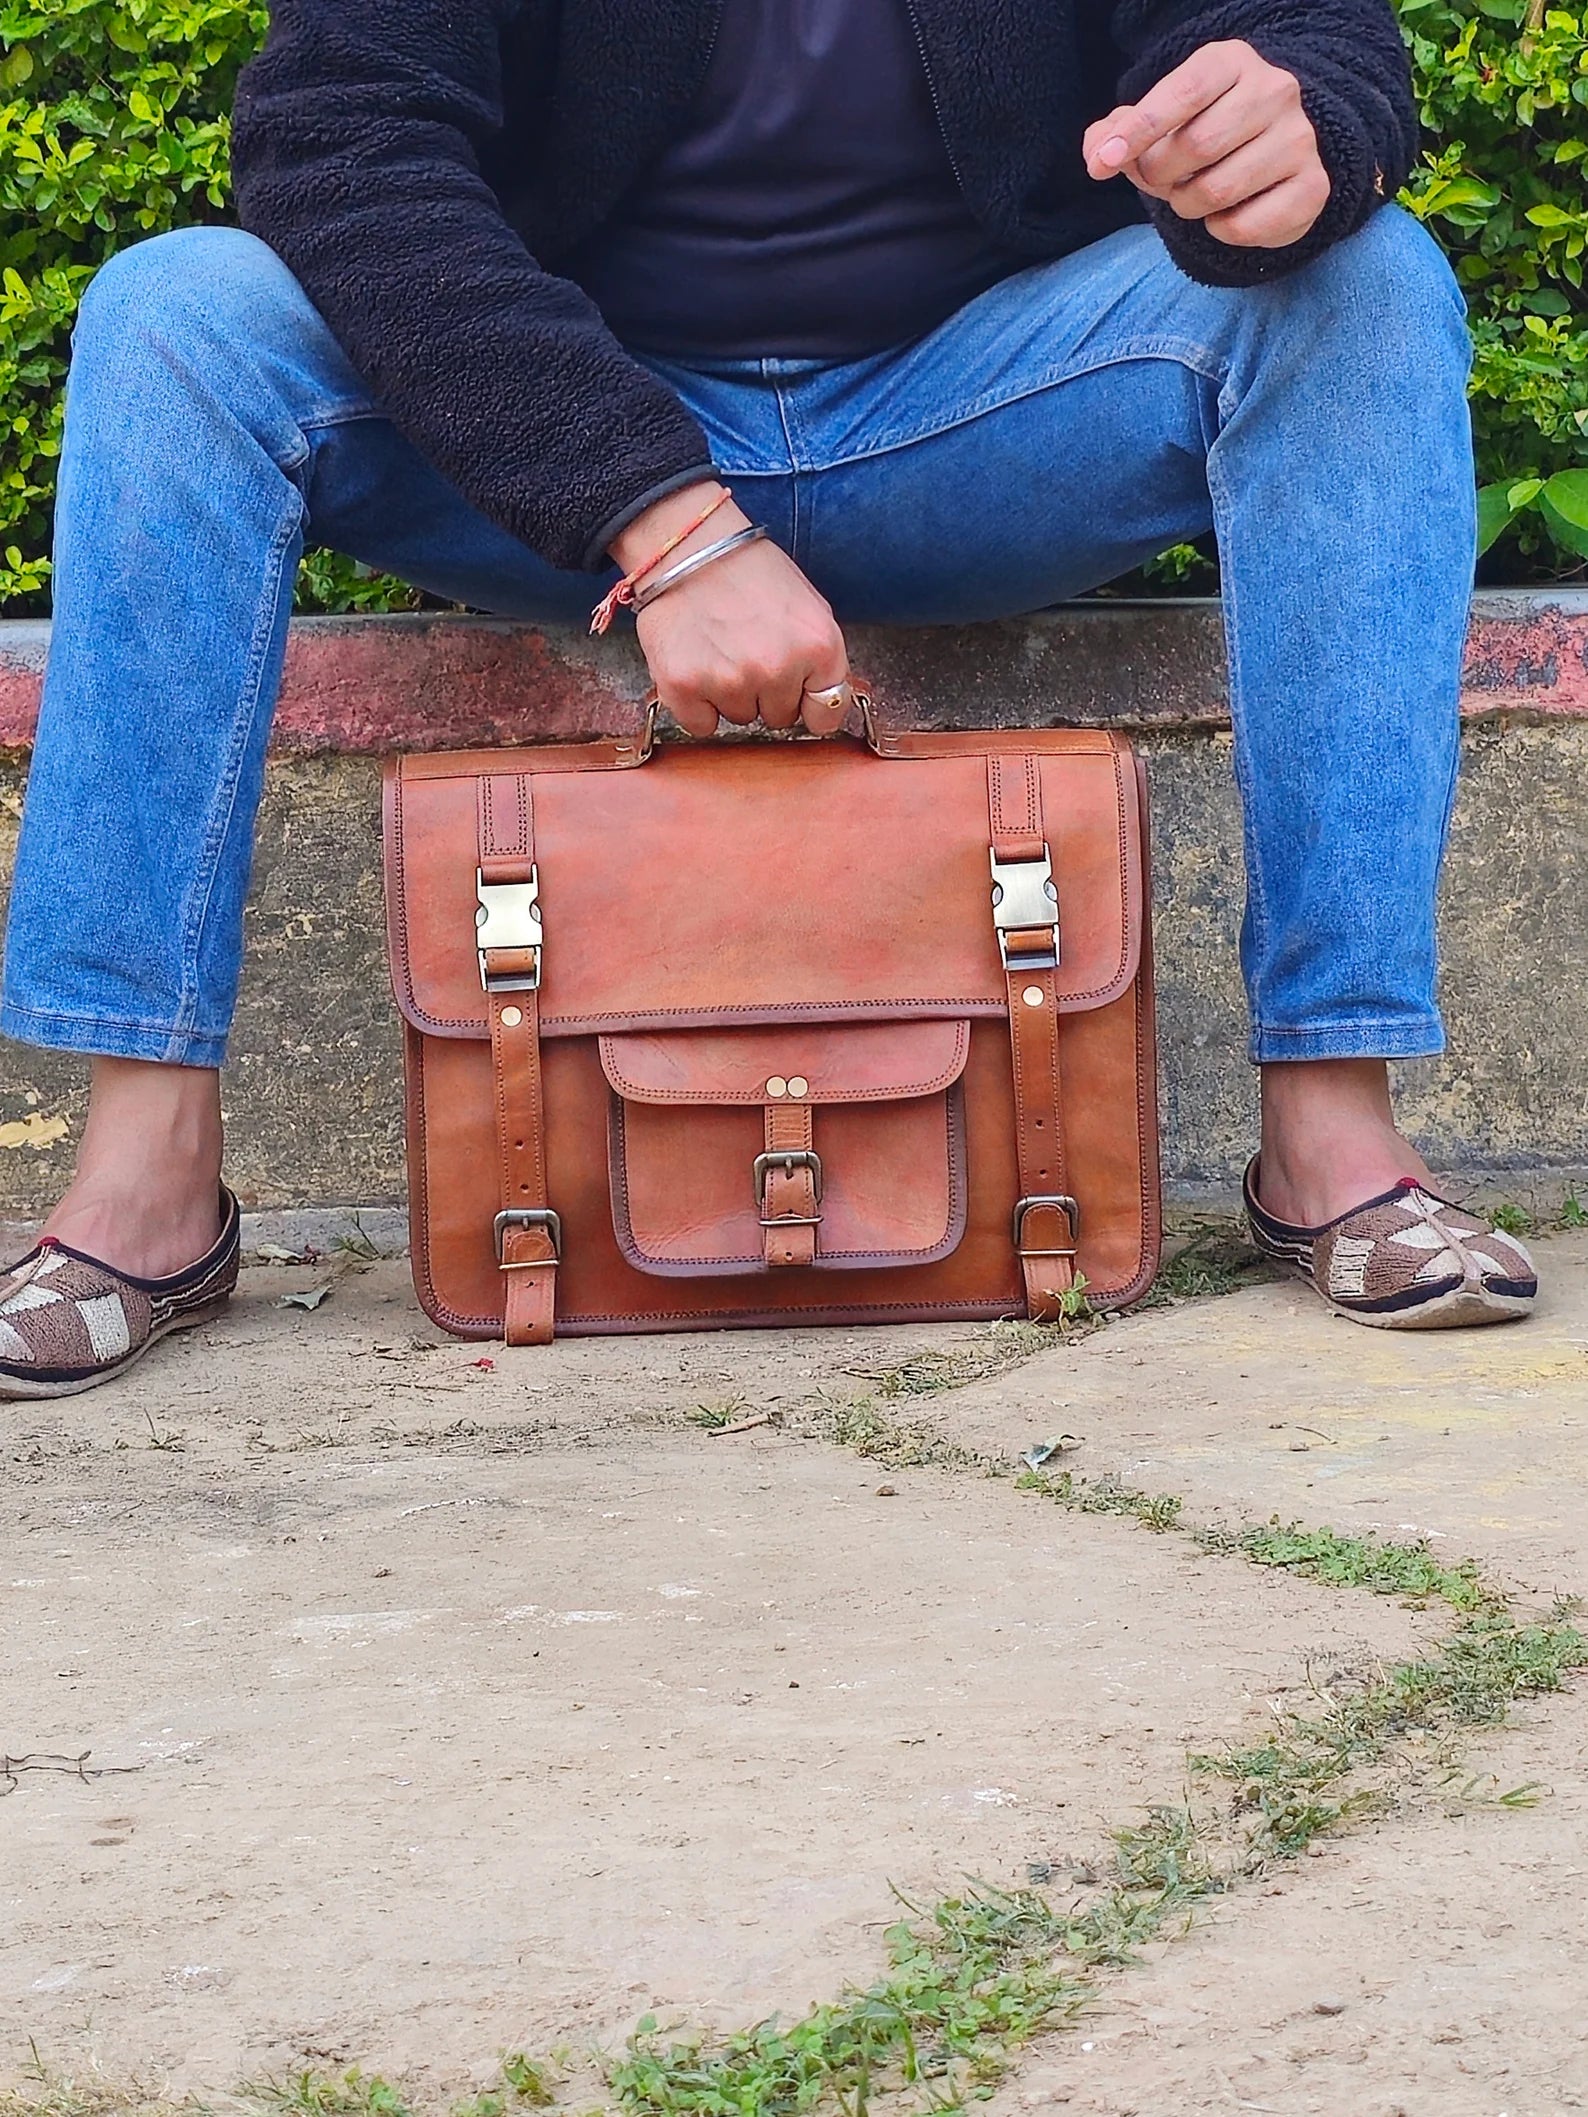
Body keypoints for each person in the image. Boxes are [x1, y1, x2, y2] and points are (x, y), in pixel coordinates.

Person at [0, 0, 1538, 1397]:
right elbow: (340, 136)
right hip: (575, 412)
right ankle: (149, 1169)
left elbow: (1302, 30)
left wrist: (1301, 116)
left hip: (985, 402)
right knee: (175, 318)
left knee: (1370, 287)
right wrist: (659, 515)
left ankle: (1331, 1121)